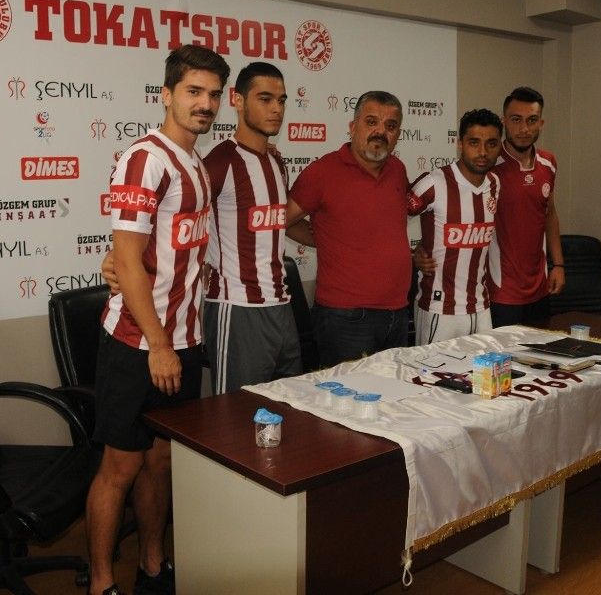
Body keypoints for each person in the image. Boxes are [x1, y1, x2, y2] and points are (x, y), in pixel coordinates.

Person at [88, 44, 229, 595]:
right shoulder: (145, 158)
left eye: (214, 94)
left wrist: (175, 343)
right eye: (193, 91)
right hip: (138, 343)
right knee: (121, 468)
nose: (205, 103)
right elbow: (127, 260)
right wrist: (158, 344)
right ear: (166, 94)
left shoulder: (196, 162)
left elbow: (159, 253)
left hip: (184, 339)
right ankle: (101, 583)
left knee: (162, 462)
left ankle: (152, 564)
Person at [202, 62, 311, 392]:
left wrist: (341, 241)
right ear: (237, 100)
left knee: (288, 407)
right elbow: (176, 219)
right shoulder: (219, 161)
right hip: (237, 308)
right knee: (234, 414)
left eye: (281, 100)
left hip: (282, 306)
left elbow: (281, 222)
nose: (276, 109)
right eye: (265, 99)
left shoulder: (276, 161)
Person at [285, 90, 411, 368]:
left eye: (390, 126)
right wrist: (328, 239)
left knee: (394, 392)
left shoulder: (398, 169)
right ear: (353, 127)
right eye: (371, 122)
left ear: (398, 134)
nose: (381, 132)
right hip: (345, 317)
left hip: (398, 312)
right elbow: (284, 220)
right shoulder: (322, 172)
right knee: (348, 394)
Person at [407, 109, 502, 344]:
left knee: (486, 368)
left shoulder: (494, 183)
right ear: (459, 143)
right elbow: (388, 222)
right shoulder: (433, 183)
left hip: (481, 306)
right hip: (439, 308)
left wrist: (422, 244)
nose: (483, 152)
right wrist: (411, 255)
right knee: (432, 368)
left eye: (491, 144)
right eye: (474, 143)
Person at [488, 86, 565, 327]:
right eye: (516, 120)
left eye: (531, 120)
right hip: (501, 291)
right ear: (503, 121)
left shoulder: (548, 162)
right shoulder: (488, 164)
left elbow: (549, 214)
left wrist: (558, 264)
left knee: (539, 350)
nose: (524, 129)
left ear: (541, 123)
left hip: (540, 288)